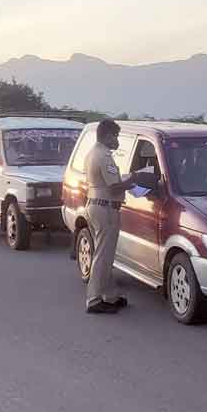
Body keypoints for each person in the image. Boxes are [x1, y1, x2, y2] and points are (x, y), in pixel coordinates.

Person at [84, 119, 139, 314]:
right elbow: (114, 186)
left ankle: (109, 296)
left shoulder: (93, 152)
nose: (117, 140)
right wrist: (132, 180)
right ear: (106, 135)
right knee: (102, 256)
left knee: (105, 254)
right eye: (115, 135)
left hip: (96, 205)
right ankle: (94, 299)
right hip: (105, 208)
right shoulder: (104, 156)